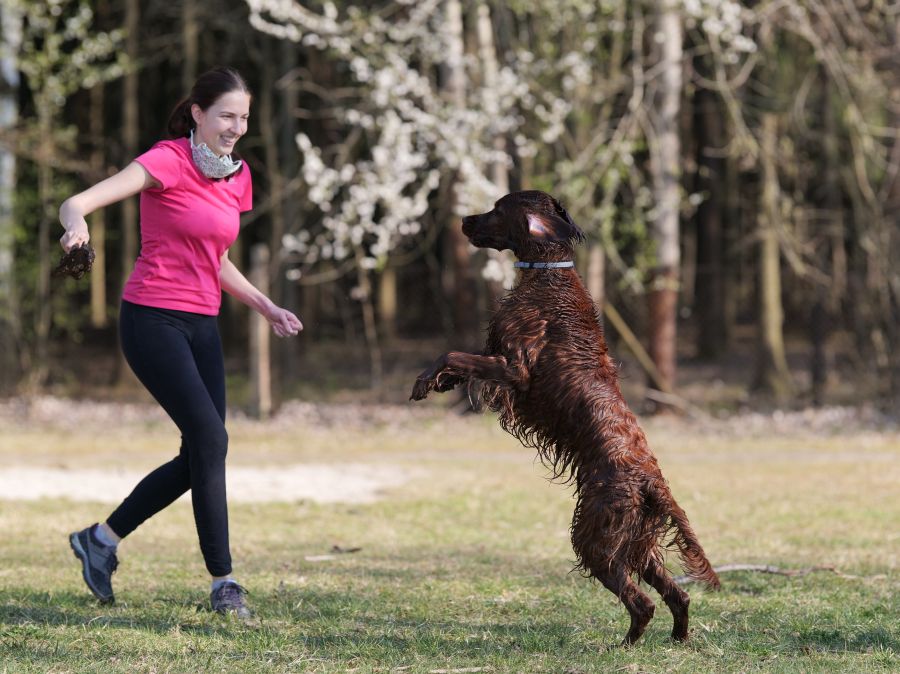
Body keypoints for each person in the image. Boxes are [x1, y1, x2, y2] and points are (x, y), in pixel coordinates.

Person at [59, 66, 301, 619]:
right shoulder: (166, 160)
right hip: (151, 319)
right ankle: (224, 582)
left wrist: (264, 305)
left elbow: (214, 258)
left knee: (201, 451)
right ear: (198, 113)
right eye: (226, 116)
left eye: (243, 117)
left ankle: (100, 540)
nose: (236, 127)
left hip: (202, 324)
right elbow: (77, 202)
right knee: (212, 440)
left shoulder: (237, 178)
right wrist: (77, 227)